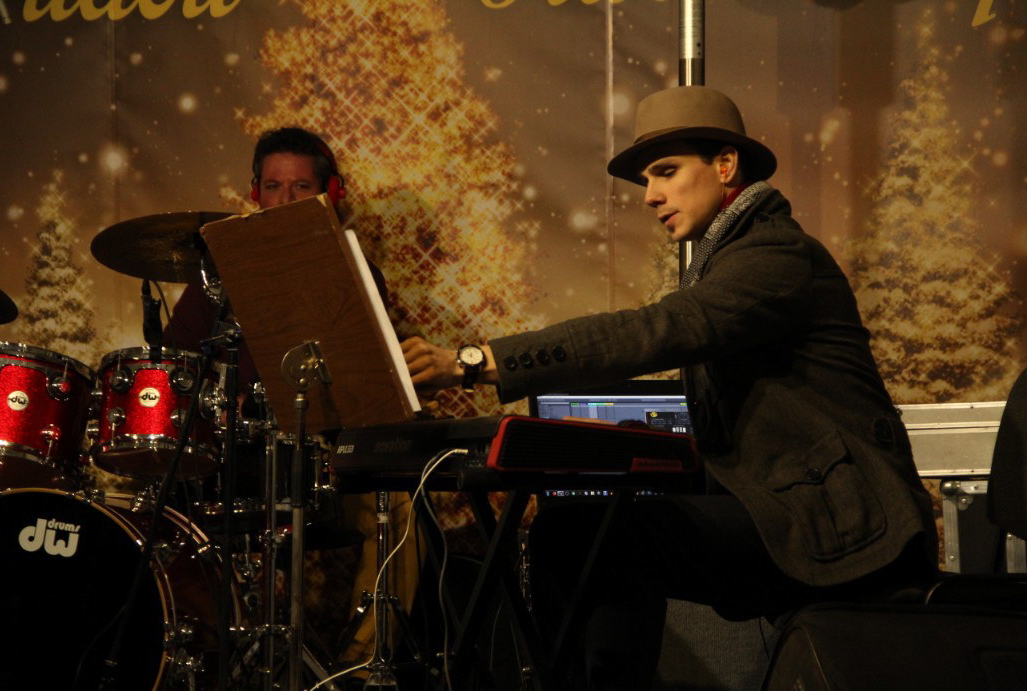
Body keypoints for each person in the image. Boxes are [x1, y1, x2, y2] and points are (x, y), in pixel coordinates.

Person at [400, 86, 938, 689]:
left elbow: (657, 329)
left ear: (725, 166)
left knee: (589, 537)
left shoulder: (776, 253)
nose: (650, 195)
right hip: (795, 512)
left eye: (666, 171)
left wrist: (477, 361)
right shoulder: (728, 258)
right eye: (647, 180)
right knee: (578, 531)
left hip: (842, 525)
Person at [163, 126, 421, 686]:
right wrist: (214, 405)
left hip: (318, 464)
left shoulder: (356, 272)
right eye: (274, 187)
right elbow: (175, 372)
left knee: (403, 508)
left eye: (301, 187)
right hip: (232, 468)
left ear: (330, 193)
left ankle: (358, 670)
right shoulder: (215, 277)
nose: (284, 200)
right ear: (254, 193)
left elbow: (369, 388)